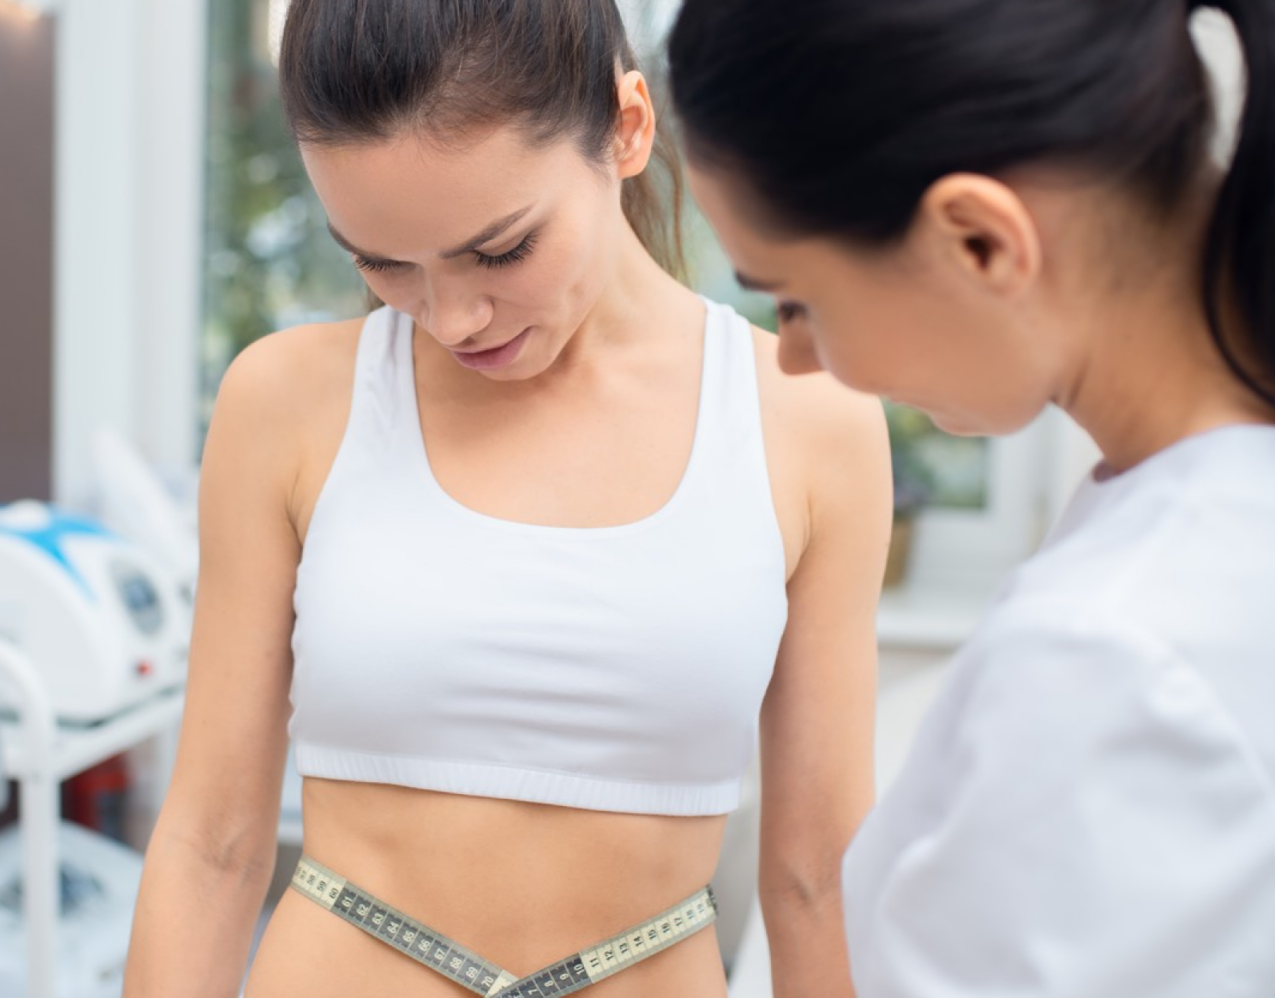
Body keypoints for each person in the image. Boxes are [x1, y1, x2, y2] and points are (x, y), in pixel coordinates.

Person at [122, 1, 891, 996]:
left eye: (500, 251)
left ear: (626, 127)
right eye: (384, 261)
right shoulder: (286, 404)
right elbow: (212, 841)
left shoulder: (807, 418)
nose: (453, 318)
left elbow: (818, 875)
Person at [667, 1, 1275, 995]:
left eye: (797, 299)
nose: (794, 356)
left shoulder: (1114, 652)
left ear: (981, 241)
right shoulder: (1191, 539)